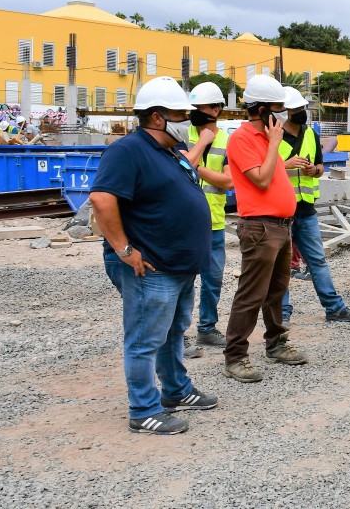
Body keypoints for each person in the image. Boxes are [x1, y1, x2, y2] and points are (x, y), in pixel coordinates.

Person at [89, 76, 217, 435]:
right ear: (158, 117)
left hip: (177, 264)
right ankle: (143, 409)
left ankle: (176, 390)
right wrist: (124, 249)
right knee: (145, 338)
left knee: (173, 332)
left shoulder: (169, 151)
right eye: (181, 114)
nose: (187, 121)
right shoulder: (127, 150)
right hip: (150, 266)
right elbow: (102, 199)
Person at [222, 75, 308, 383]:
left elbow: (273, 172)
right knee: (251, 294)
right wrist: (274, 144)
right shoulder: (242, 139)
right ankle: (235, 356)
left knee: (276, 291)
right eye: (278, 108)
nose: (283, 113)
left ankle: (275, 343)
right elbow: (260, 178)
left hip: (280, 226)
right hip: (260, 226)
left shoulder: (266, 140)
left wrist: (274, 145)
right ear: (261, 110)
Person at [279, 86, 350, 325]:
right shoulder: (273, 138)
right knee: (282, 265)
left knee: (317, 260)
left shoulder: (310, 134)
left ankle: (334, 308)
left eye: (302, 108)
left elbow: (319, 168)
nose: (301, 112)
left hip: (306, 210)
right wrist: (286, 165)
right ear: (285, 111)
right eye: (296, 109)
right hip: (282, 211)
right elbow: (265, 171)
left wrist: (312, 170)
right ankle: (282, 313)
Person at [181, 81, 234, 348]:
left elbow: (228, 182)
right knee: (183, 282)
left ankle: (207, 327)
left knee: (213, 280)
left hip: (214, 220)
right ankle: (177, 334)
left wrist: (196, 169)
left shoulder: (227, 139)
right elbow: (181, 167)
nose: (194, 112)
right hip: (186, 222)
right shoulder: (181, 134)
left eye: (200, 108)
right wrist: (201, 142)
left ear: (215, 110)